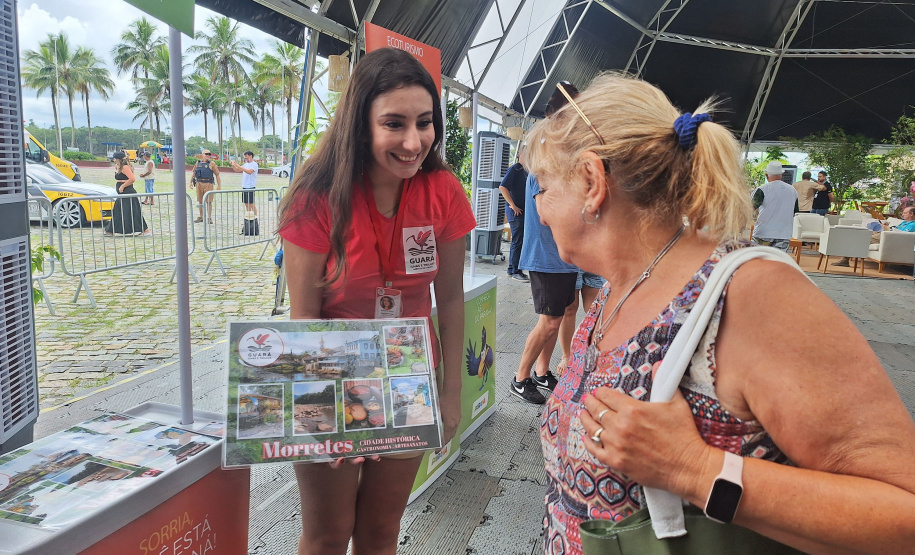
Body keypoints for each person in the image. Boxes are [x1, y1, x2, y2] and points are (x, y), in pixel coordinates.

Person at [522, 72, 915, 555]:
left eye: (542, 187)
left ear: (591, 181)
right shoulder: (619, 287)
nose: (538, 210)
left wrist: (693, 468)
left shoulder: (752, 295)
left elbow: (903, 515)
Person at [277, 47, 475, 555]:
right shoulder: (316, 196)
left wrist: (450, 395)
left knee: (382, 531)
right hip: (329, 384)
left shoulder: (444, 192)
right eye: (394, 124)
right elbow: (304, 320)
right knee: (327, 535)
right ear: (360, 124)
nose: (414, 142)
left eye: (425, 123)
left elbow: (449, 301)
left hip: (409, 385)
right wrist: (327, 414)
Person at [512, 83, 583, 405]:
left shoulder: (559, 162)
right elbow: (544, 214)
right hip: (546, 256)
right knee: (549, 320)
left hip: (564, 257)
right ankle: (520, 377)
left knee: (563, 313)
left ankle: (542, 372)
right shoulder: (544, 165)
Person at [751, 161, 798, 251]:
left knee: (758, 260)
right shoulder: (793, 190)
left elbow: (750, 208)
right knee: (778, 261)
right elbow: (794, 212)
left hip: (763, 233)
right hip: (784, 234)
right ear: (781, 175)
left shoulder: (762, 189)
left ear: (766, 175)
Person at [499, 144, 529, 282]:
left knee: (520, 241)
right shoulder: (515, 169)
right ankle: (513, 270)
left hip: (524, 212)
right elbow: (503, 187)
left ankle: (516, 268)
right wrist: (513, 205)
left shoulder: (526, 170)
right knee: (517, 241)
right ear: (519, 154)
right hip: (516, 213)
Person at [104, 151, 149, 236]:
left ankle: (144, 230)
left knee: (133, 211)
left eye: (115, 158)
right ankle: (111, 229)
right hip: (121, 193)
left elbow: (132, 178)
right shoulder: (118, 167)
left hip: (128, 191)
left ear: (118, 159)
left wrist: (123, 186)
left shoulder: (125, 167)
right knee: (118, 210)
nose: (114, 160)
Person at [191, 150, 221, 223]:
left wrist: (219, 185)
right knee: (200, 200)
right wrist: (190, 182)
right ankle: (201, 216)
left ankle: (209, 217)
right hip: (199, 183)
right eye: (206, 154)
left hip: (208, 183)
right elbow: (194, 173)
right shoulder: (198, 163)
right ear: (202, 154)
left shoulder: (212, 163)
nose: (208, 155)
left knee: (209, 201)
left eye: (209, 154)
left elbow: (217, 174)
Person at [230, 150, 259, 216]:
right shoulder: (245, 164)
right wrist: (233, 165)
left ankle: (255, 218)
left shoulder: (254, 164)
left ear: (250, 156)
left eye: (246, 157)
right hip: (245, 186)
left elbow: (249, 171)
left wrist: (238, 165)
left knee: (251, 203)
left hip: (251, 186)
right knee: (246, 203)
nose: (245, 158)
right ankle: (249, 217)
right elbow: (237, 170)